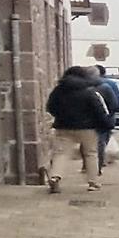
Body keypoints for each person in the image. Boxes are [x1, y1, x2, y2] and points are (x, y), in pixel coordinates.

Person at [44, 64, 111, 193]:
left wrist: (61, 116)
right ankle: (93, 182)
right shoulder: (89, 91)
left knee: (61, 153)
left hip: (63, 127)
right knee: (90, 153)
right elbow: (99, 110)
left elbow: (50, 107)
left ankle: (55, 177)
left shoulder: (58, 91)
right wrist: (105, 124)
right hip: (88, 128)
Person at [93, 69, 119, 168]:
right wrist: (111, 112)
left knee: (89, 141)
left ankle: (88, 163)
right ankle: (100, 161)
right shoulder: (110, 84)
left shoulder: (86, 85)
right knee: (102, 138)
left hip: (89, 117)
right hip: (106, 116)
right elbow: (117, 99)